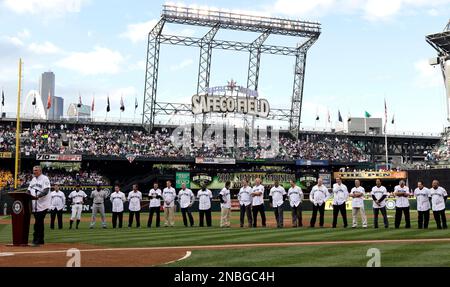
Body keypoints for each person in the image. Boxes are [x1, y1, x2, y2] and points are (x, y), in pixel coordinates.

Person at [27, 166, 51, 246]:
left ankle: (36, 239)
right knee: (39, 222)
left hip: (43, 204)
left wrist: (38, 196)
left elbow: (46, 190)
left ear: (40, 171)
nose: (34, 172)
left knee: (38, 222)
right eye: (33, 170)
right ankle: (41, 240)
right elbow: (29, 190)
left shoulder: (45, 178)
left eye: (36, 170)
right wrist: (27, 195)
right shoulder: (33, 179)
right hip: (35, 205)